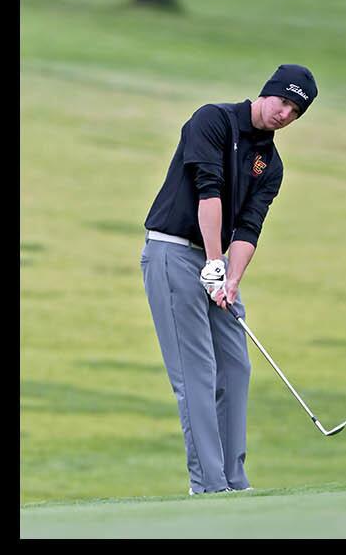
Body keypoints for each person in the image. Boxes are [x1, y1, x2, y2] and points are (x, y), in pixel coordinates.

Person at [140, 63, 318, 495]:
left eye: (296, 110)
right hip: (174, 253)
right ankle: (208, 484)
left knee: (235, 367)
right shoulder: (213, 120)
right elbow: (209, 190)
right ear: (267, 92)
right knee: (197, 373)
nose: (286, 113)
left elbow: (249, 227)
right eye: (284, 101)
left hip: (215, 264)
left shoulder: (270, 164)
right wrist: (214, 264)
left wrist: (231, 277)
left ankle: (235, 482)